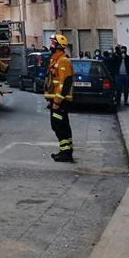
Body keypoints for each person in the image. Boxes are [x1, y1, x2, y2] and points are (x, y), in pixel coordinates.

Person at [44, 33, 75, 163]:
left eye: (52, 43)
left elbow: (65, 82)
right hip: (56, 100)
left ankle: (65, 153)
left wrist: (57, 101)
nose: (50, 45)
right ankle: (65, 151)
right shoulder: (56, 59)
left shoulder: (63, 61)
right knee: (61, 125)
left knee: (59, 125)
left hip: (60, 101)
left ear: (58, 46)